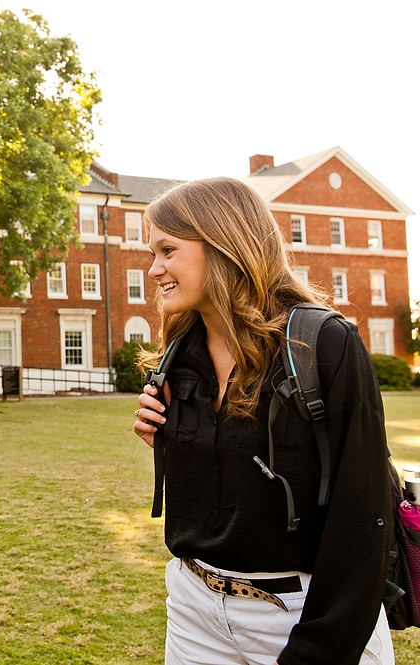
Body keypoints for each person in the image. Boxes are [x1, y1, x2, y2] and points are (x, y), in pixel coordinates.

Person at [132, 177, 394, 665]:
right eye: (152, 253)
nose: (154, 269)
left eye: (167, 250)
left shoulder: (323, 343)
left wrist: (319, 647)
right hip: (194, 610)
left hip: (300, 613)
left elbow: (361, 516)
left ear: (223, 242)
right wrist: (172, 444)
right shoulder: (178, 356)